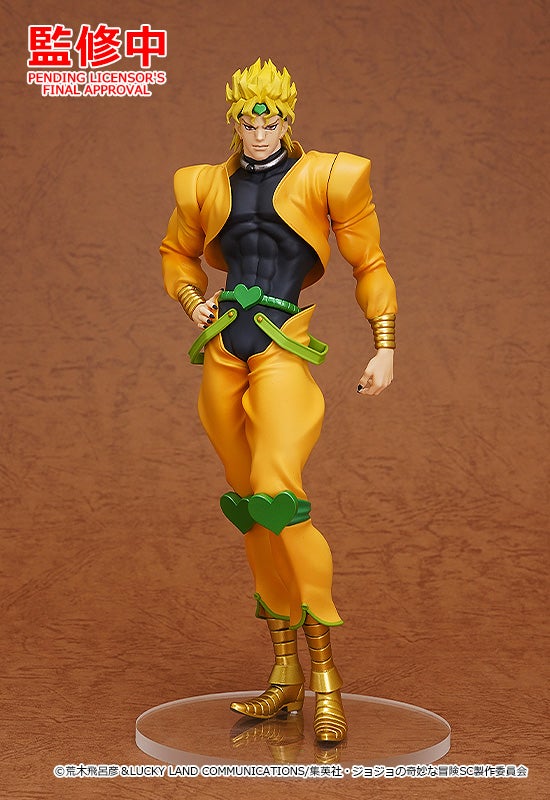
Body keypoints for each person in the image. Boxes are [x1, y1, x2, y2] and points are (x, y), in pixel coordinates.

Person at [160, 59, 397, 743]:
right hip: (222, 354)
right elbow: (175, 253)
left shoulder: (330, 177)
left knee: (277, 495)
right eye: (248, 120)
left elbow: (369, 262)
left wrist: (384, 343)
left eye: (272, 120)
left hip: (281, 348)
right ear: (233, 120)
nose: (260, 131)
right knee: (250, 511)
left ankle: (327, 678)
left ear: (288, 119)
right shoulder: (203, 184)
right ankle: (285, 671)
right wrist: (192, 300)